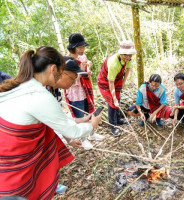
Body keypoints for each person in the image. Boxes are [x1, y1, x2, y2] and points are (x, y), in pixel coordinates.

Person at [0, 46, 102, 199]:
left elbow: (51, 118)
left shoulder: (21, 86)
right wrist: (92, 125)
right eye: (62, 72)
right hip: (13, 170)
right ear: (53, 69)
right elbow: (72, 132)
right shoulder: (39, 95)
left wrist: (78, 120)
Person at [97, 40, 136, 136]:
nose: (128, 57)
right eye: (125, 55)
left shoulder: (129, 59)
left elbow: (128, 69)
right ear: (120, 53)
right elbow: (110, 83)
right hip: (105, 82)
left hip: (117, 79)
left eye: (130, 55)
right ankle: (113, 126)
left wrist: (123, 82)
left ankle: (118, 119)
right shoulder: (114, 63)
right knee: (112, 103)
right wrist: (114, 98)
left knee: (118, 99)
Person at [65, 33, 95, 118]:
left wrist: (88, 70)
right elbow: (70, 83)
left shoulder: (82, 57)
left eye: (83, 47)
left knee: (89, 116)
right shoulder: (68, 61)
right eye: (79, 47)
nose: (82, 49)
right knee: (80, 119)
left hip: (85, 91)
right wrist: (81, 71)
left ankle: (90, 131)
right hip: (76, 95)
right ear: (73, 48)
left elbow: (87, 73)